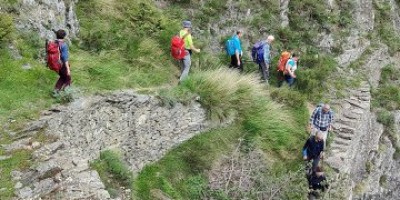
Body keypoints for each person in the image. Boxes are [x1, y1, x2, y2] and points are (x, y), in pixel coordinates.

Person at [54, 29, 71, 94]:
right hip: (62, 64)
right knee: (68, 79)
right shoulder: (63, 45)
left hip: (55, 64)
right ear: (64, 36)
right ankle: (67, 94)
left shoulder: (54, 43)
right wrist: (68, 69)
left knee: (62, 77)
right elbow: (65, 58)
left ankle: (56, 91)